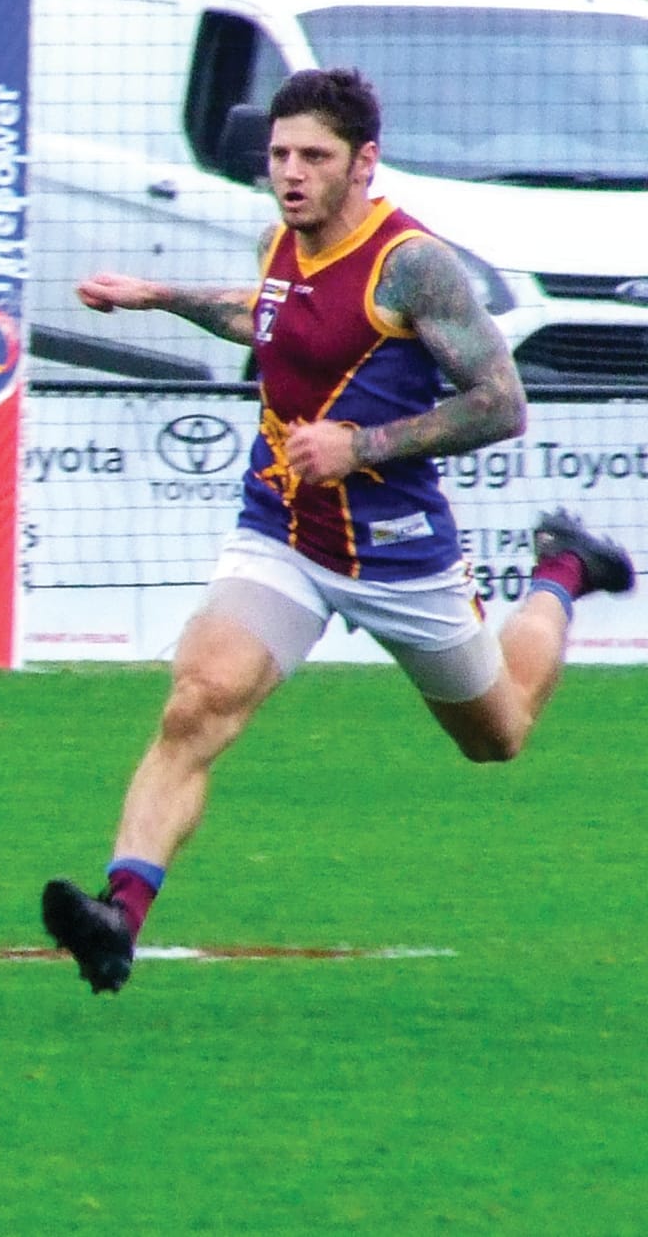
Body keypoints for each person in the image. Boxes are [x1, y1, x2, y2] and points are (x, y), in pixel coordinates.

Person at [40, 67, 634, 994]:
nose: (291, 172)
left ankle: (561, 569)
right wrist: (158, 295)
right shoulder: (285, 236)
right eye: (279, 155)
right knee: (200, 699)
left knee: (499, 733)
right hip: (283, 527)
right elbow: (266, 315)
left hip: (399, 551)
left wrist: (363, 445)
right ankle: (120, 916)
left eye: (313, 157)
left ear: (364, 162)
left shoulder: (414, 265)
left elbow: (501, 404)